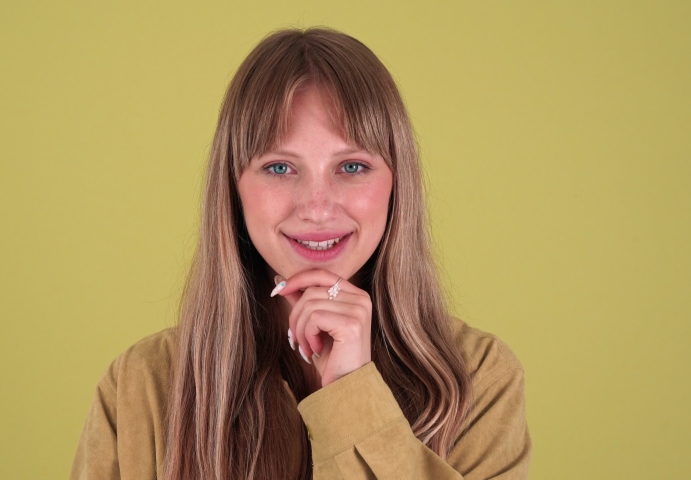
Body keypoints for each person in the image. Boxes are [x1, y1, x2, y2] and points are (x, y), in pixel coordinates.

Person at [71, 27, 531, 479]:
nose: (316, 207)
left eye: (352, 166)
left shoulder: (480, 379)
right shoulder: (140, 388)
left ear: (397, 184)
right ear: (234, 189)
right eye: (279, 167)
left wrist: (352, 396)